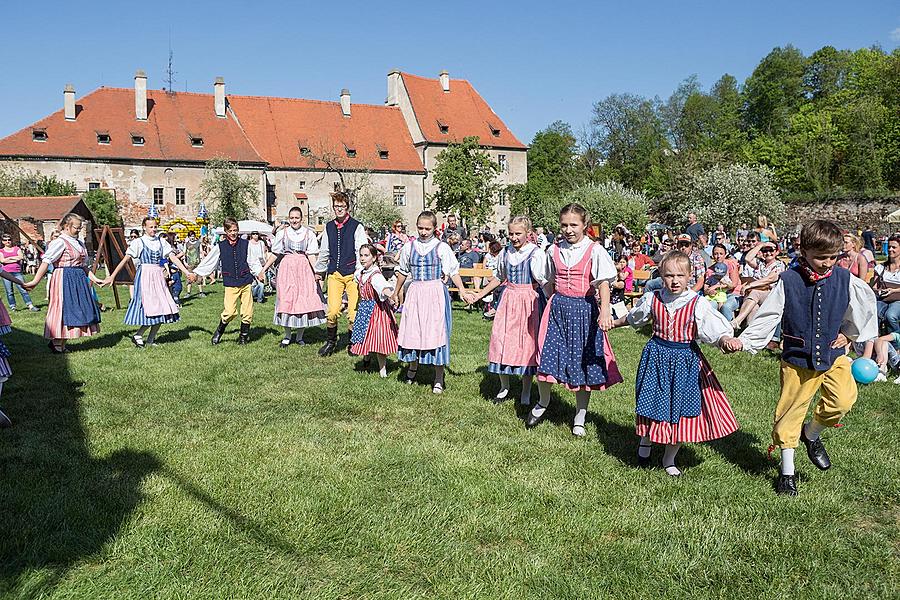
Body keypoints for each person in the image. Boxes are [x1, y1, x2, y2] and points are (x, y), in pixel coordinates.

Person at [724, 220, 878, 496]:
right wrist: (744, 340)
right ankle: (787, 472)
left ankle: (812, 433)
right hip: (798, 359)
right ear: (803, 251)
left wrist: (850, 335)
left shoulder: (844, 279)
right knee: (790, 414)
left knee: (843, 399)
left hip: (833, 355)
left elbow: (861, 309)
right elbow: (769, 315)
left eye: (833, 257)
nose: (827, 263)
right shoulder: (789, 280)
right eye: (821, 257)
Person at [613, 251, 739, 475]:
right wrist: (613, 323)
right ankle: (646, 439)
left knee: (679, 407)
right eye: (669, 275)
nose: (674, 280)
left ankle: (669, 458)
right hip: (656, 357)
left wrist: (725, 339)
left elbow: (713, 330)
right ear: (661, 275)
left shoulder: (696, 303)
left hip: (685, 361)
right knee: (650, 400)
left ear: (690, 276)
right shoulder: (653, 298)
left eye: (680, 275)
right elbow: (634, 318)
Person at [525, 203, 623, 437]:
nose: (568, 229)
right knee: (546, 356)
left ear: (584, 225)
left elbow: (603, 282)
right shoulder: (553, 250)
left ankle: (580, 416)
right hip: (558, 309)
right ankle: (543, 401)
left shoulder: (594, 250)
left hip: (583, 311)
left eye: (573, 225)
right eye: (564, 225)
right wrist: (552, 300)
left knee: (582, 363)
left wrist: (605, 310)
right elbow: (547, 279)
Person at [464, 216, 548, 405]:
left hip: (529, 301)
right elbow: (498, 277)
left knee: (526, 344)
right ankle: (504, 387)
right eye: (511, 233)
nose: (514, 237)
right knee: (501, 340)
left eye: (518, 233)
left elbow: (543, 282)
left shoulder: (535, 253)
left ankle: (526, 389)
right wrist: (479, 294)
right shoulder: (505, 252)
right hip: (509, 299)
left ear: (528, 233)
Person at [390, 211, 470, 394]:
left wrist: (463, 290)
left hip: (435, 291)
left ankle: (438, 376)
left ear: (435, 228)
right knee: (413, 329)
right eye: (420, 228)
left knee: (436, 331)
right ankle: (412, 367)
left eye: (427, 228)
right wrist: (396, 292)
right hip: (416, 291)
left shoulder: (441, 247)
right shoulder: (409, 247)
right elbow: (402, 271)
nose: (424, 232)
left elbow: (453, 270)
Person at [104, 216, 193, 347]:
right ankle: (138, 334)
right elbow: (125, 259)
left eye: (155, 227)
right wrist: (112, 276)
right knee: (151, 308)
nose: (153, 229)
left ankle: (150, 339)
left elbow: (173, 258)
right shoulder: (139, 242)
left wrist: (186, 272)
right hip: (145, 276)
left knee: (163, 307)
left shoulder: (161, 242)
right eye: (151, 227)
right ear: (144, 227)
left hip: (158, 276)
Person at [22, 214, 102, 353]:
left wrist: (94, 278)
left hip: (78, 278)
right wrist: (35, 281)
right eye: (77, 227)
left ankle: (61, 342)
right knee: (62, 309)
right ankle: (57, 342)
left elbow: (83, 266)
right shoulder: (60, 242)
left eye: (80, 227)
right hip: (64, 278)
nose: (79, 230)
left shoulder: (78, 242)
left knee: (75, 309)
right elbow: (46, 261)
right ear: (66, 226)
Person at [190, 217, 264, 345]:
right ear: (226, 231)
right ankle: (219, 331)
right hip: (230, 283)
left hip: (246, 281)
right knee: (229, 312)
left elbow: (252, 261)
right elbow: (210, 262)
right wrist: (196, 273)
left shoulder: (246, 244)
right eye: (230, 231)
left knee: (247, 311)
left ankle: (243, 336)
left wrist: (259, 272)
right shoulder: (220, 247)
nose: (233, 233)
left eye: (235, 230)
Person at [260, 206, 326, 348]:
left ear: (301, 219)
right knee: (286, 299)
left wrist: (317, 272)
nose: (294, 220)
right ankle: (288, 335)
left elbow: (312, 255)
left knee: (302, 300)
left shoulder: (309, 234)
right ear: (289, 219)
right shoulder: (282, 233)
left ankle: (300, 336)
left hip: (303, 269)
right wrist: (264, 269)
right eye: (292, 218)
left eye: (297, 218)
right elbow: (275, 253)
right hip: (287, 268)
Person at [314, 192, 367, 357]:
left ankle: (353, 343)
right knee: (332, 311)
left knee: (353, 312)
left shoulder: (357, 226)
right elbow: (324, 251)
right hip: (335, 273)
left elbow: (361, 251)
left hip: (352, 273)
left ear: (347, 207)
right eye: (336, 206)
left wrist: (360, 271)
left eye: (342, 206)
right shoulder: (329, 226)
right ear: (333, 207)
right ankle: (331, 342)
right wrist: (319, 271)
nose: (339, 209)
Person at [349, 244, 398, 377]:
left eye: (366, 255)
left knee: (378, 338)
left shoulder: (376, 275)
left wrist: (391, 296)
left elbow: (383, 287)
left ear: (374, 257)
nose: (363, 258)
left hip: (377, 310)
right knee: (364, 336)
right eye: (361, 255)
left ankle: (382, 369)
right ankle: (366, 358)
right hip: (364, 308)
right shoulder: (360, 273)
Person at [730, 241, 784, 330]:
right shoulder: (760, 263)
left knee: (755, 293)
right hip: (755, 296)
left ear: (777, 252)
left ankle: (737, 321)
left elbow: (769, 279)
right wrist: (761, 245)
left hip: (771, 295)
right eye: (765, 251)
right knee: (753, 307)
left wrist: (749, 285)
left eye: (771, 250)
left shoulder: (779, 265)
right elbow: (748, 258)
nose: (768, 253)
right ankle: (750, 332)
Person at [0, 234, 39, 311]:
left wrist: (9, 258)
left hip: (17, 272)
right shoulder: (1, 251)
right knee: (9, 291)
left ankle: (30, 305)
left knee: (23, 288)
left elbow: (21, 257)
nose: (8, 241)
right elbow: (2, 260)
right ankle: (13, 306)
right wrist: (14, 258)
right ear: (2, 242)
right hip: (6, 273)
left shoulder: (16, 248)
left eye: (9, 239)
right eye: (5, 240)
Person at [704, 244, 742, 321]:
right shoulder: (710, 270)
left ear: (725, 254)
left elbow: (734, 284)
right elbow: (706, 288)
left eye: (721, 254)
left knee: (726, 307)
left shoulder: (731, 264)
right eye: (715, 254)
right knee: (710, 306)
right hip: (716, 295)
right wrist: (709, 291)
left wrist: (716, 286)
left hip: (733, 293)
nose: (718, 256)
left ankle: (729, 327)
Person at [873, 234, 900, 333]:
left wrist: (894, 290)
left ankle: (895, 341)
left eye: (894, 247)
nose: (890, 249)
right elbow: (875, 286)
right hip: (883, 298)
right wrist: (878, 290)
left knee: (890, 315)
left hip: (898, 299)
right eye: (889, 247)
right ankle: (875, 339)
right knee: (873, 313)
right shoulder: (881, 268)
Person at [247, 231, 268, 303]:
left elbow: (263, 254)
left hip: (260, 265)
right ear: (251, 235)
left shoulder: (261, 243)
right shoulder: (249, 243)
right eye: (253, 234)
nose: (255, 235)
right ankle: (259, 298)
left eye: (256, 234)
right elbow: (248, 255)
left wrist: (265, 264)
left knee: (259, 283)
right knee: (260, 283)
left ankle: (253, 296)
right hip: (252, 265)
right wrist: (249, 266)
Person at [183, 231, 205, 297]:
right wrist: (184, 262)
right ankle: (188, 293)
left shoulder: (198, 243)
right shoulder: (186, 244)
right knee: (189, 278)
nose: (192, 238)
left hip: (197, 263)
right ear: (188, 237)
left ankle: (201, 292)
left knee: (199, 278)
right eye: (190, 236)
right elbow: (184, 253)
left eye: (193, 236)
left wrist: (202, 259)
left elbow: (201, 252)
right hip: (189, 263)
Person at [610, 255, 633, 319]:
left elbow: (623, 278)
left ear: (626, 263)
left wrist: (619, 270)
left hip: (626, 287)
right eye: (620, 262)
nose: (622, 264)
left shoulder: (627, 269)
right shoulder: (617, 270)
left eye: (623, 262)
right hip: (618, 287)